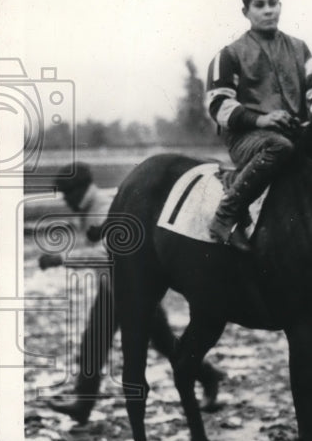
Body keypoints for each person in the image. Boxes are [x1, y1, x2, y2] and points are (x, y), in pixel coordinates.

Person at [41, 163, 224, 424]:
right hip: (114, 287)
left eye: (68, 194)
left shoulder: (104, 208)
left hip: (134, 289)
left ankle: (207, 375)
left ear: (80, 189)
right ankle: (83, 403)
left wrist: (62, 258)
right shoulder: (84, 209)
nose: (66, 201)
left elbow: (108, 254)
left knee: (164, 343)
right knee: (95, 342)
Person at [205, 0, 312, 247]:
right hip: (248, 137)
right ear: (246, 12)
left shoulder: (299, 48)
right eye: (259, 5)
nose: (268, 10)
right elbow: (218, 105)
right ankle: (227, 214)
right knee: (280, 147)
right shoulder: (230, 53)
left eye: (273, 2)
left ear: (280, 6)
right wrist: (262, 120)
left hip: (293, 132)